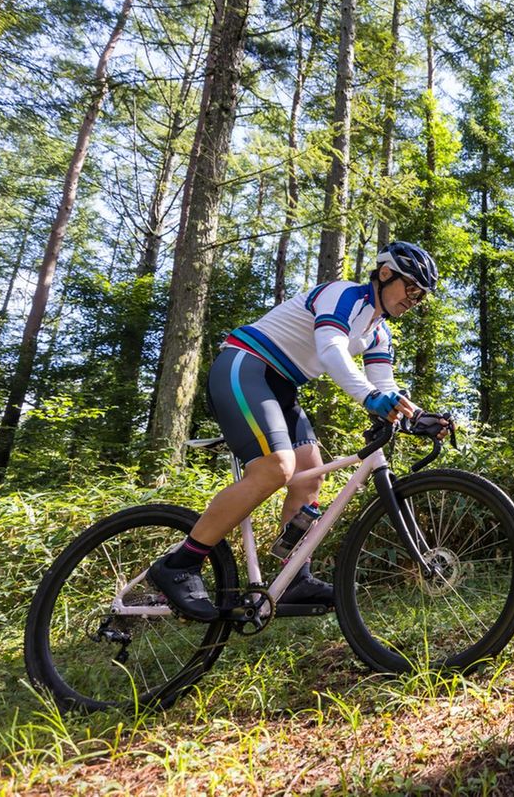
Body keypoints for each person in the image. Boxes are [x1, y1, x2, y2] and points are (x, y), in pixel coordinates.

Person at [149, 241, 448, 621]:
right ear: (386, 274)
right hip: (245, 365)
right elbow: (331, 349)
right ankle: (179, 564)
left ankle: (294, 579)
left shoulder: (378, 333)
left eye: (421, 296)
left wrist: (417, 416)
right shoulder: (344, 295)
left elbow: (385, 386)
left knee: (309, 478)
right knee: (277, 467)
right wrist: (369, 397)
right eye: (411, 288)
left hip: (282, 387)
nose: (414, 299)